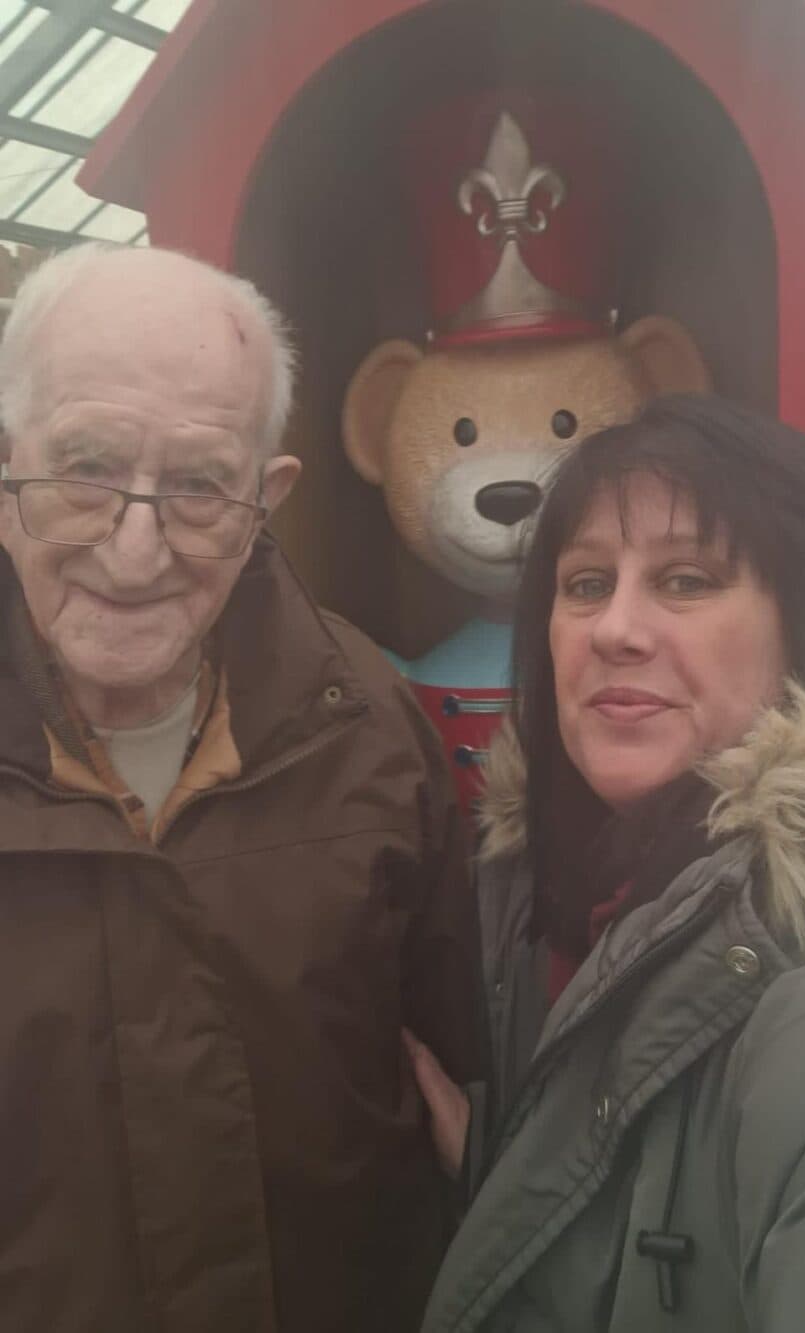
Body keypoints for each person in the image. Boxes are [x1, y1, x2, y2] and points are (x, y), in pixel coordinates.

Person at [418, 394, 805, 1332]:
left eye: (686, 581)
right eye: (585, 582)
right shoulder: (544, 879)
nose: (615, 627)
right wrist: (509, 1163)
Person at [0, 243, 481, 1333]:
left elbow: (455, 1067)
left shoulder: (368, 730)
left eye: (198, 485)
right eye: (84, 470)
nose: (135, 551)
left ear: (266, 496)